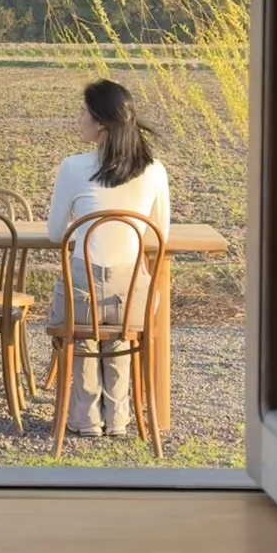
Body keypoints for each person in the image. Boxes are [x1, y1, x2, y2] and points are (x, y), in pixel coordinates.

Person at [46, 79, 170, 437]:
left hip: (83, 298)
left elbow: (57, 234)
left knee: (82, 330)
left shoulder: (72, 167)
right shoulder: (154, 170)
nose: (79, 118)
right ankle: (117, 419)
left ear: (100, 124)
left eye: (84, 111)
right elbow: (157, 235)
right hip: (132, 299)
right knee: (119, 332)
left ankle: (85, 421)